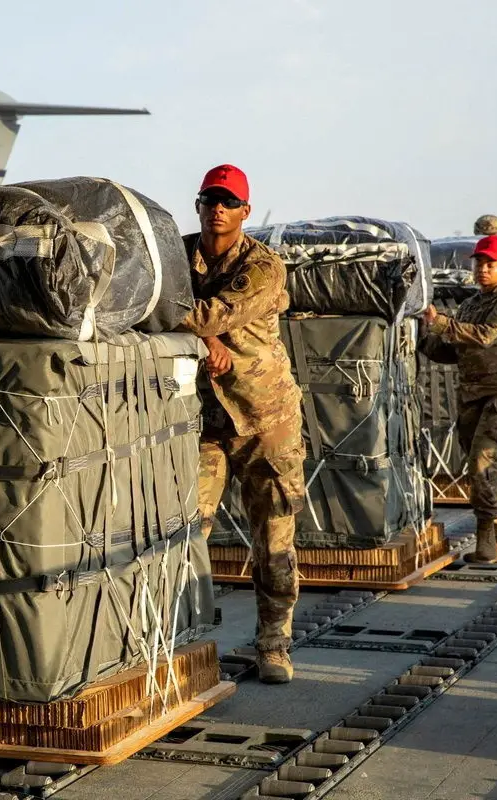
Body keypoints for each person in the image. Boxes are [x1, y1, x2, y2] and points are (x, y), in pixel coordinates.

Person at [176, 164, 304, 685]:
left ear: (245, 211)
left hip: (263, 419)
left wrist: (205, 331)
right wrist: (207, 342)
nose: (218, 208)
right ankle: (180, 641)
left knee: (272, 538)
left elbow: (208, 313)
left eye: (228, 201)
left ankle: (274, 644)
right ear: (199, 204)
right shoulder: (180, 254)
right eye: (210, 199)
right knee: (187, 528)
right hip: (204, 421)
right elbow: (153, 303)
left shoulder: (263, 266)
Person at [420, 236, 497, 563]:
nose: (483, 269)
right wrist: (421, 337)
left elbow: (485, 336)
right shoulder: (471, 304)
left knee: (482, 459)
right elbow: (452, 352)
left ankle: (488, 536)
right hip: (472, 396)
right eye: (479, 263)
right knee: (482, 467)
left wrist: (440, 321)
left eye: (491, 264)